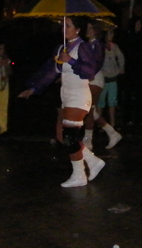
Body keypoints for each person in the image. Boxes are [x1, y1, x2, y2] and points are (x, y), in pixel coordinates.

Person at [18, 17, 105, 186]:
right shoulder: (61, 48)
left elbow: (90, 72)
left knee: (69, 136)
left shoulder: (82, 47)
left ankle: (79, 175)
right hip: (66, 96)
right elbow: (51, 73)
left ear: (77, 29)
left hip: (79, 95)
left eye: (68, 25)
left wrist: (71, 60)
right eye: (63, 26)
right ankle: (93, 161)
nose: (64, 28)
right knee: (63, 136)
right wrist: (34, 89)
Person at [81, 22, 122, 150]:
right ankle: (111, 133)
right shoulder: (86, 45)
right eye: (87, 28)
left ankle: (89, 138)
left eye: (91, 28)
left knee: (89, 108)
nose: (88, 30)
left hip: (95, 79)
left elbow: (98, 61)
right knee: (89, 109)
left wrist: (90, 72)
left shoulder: (98, 44)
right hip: (89, 79)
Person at [97, 26, 124, 128]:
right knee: (101, 102)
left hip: (112, 77)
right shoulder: (100, 47)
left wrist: (121, 68)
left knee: (112, 102)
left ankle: (112, 123)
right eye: (110, 33)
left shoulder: (114, 47)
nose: (112, 35)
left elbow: (121, 57)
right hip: (102, 78)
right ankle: (101, 124)